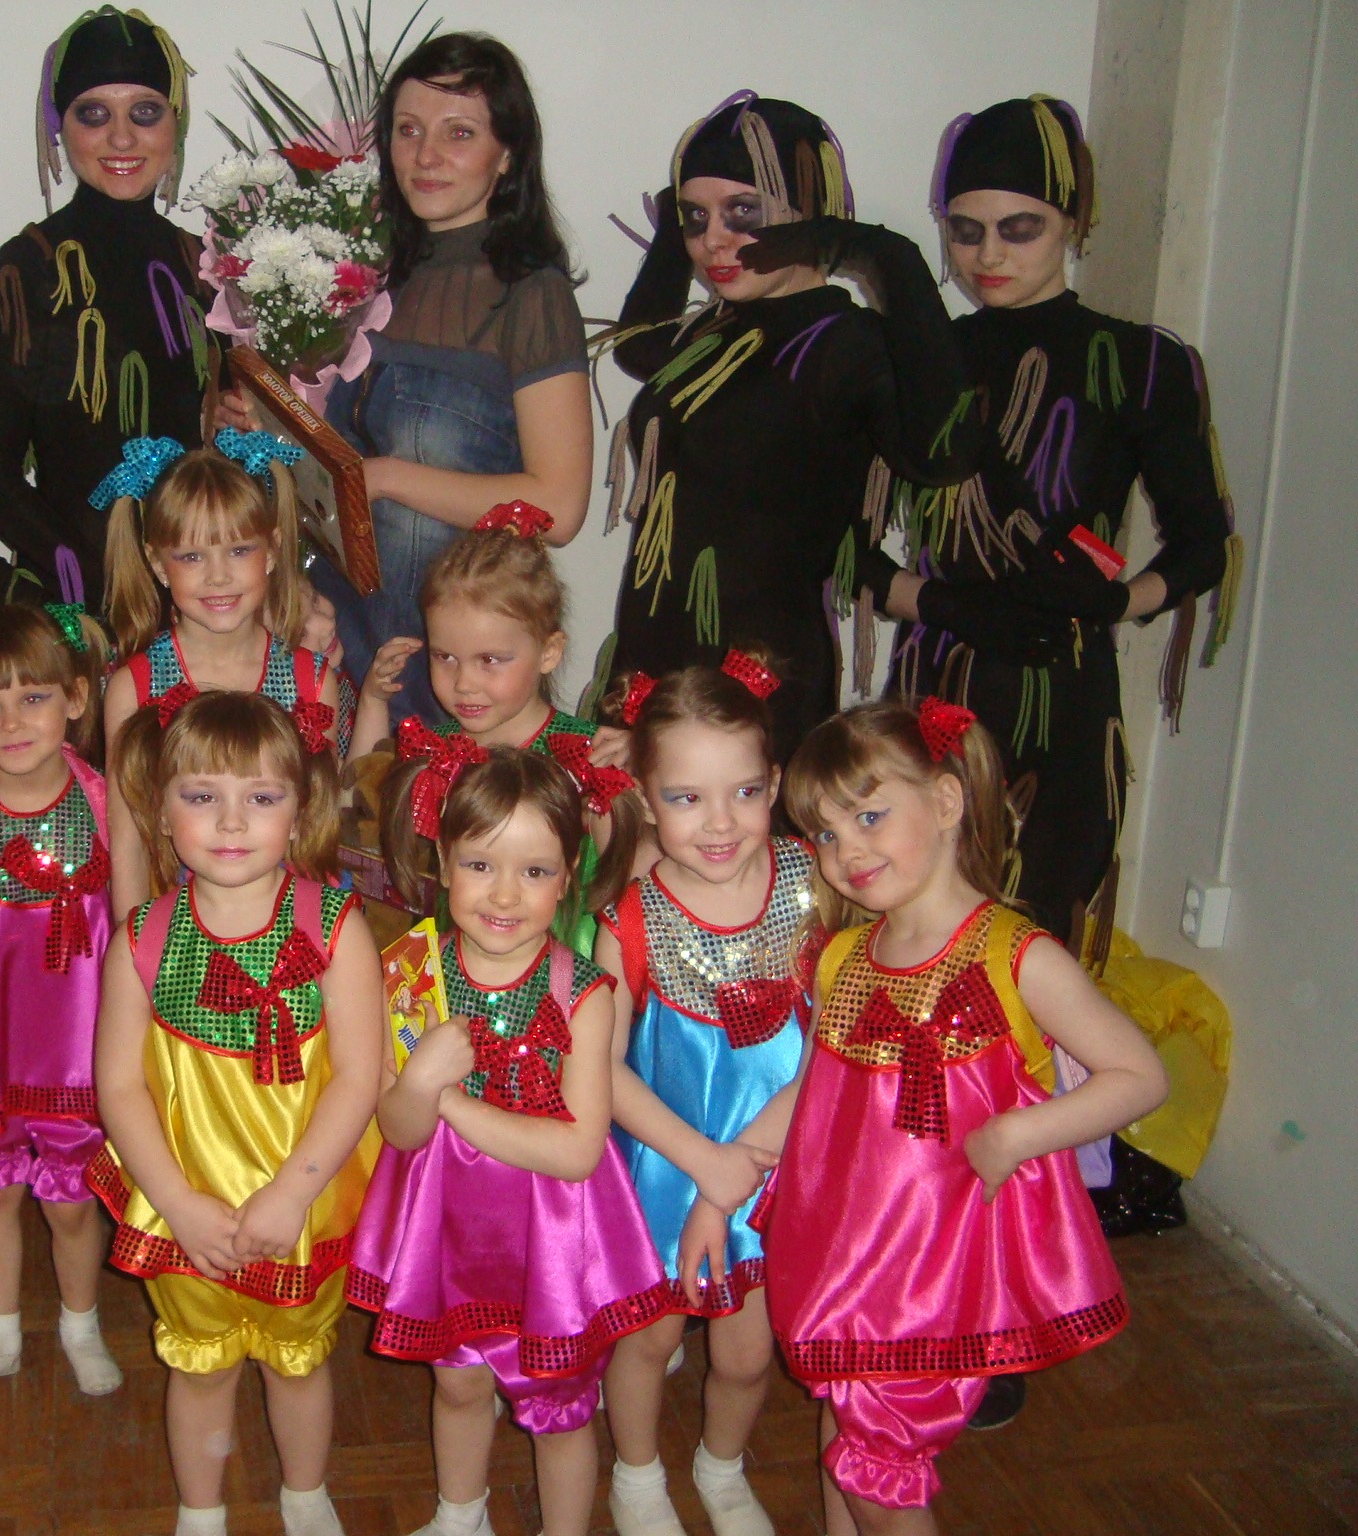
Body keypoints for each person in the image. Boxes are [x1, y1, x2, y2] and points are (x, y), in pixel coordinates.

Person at [748, 698, 1166, 1534]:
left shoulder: (1015, 955)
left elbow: (1138, 1077)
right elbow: (815, 1090)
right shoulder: (844, 957)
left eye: (869, 816)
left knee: (880, 1471)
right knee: (847, 1422)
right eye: (825, 833)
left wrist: (1019, 1132)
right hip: (850, 1256)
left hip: (936, 1273)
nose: (846, 851)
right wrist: (732, 1169)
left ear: (944, 802)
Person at [875, 95, 1238, 959]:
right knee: (913, 925)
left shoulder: (1143, 363)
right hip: (935, 682)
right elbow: (840, 548)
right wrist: (945, 604)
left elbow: (1203, 542)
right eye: (965, 231)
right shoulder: (916, 361)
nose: (988, 256)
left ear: (1074, 220)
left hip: (1067, 692)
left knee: (1039, 935)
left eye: (1020, 228)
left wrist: (1119, 601)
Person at [352, 747, 672, 1536]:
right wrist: (417, 1087)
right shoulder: (412, 974)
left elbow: (577, 1151)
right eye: (480, 865)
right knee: (458, 1383)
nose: (503, 894)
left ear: (567, 878)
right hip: (449, 1229)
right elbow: (397, 1129)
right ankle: (460, 1515)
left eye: (534, 871)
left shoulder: (582, 994)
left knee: (559, 1405)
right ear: (442, 862)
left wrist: (450, 1102)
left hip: (550, 1238)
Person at [606, 93, 982, 756]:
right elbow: (636, 347)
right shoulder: (706, 333)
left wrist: (882, 253)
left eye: (743, 212)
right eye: (696, 218)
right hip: (650, 672)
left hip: (762, 689)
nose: (713, 241)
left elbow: (944, 452)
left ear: (809, 217)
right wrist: (676, 225)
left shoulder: (849, 343)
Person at [91, 690, 379, 1536]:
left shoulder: (334, 926)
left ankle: (304, 1496)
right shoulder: (142, 937)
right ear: (161, 810)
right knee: (201, 1367)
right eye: (200, 795)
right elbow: (119, 1087)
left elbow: (359, 1077)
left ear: (299, 811)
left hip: (301, 1199)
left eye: (260, 796)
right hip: (188, 1203)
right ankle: (201, 1512)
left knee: (297, 1363)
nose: (230, 821)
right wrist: (177, 1204)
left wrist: (291, 1194)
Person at [313, 33, 593, 730]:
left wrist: (384, 478)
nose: (426, 155)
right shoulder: (365, 276)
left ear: (508, 153)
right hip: (343, 655)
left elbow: (559, 507)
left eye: (458, 133)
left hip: (456, 681)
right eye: (408, 130)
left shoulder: (531, 293)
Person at [594, 655, 814, 1536]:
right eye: (687, 798)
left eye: (745, 793)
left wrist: (742, 1169)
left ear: (777, 786)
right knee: (648, 1339)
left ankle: (722, 1465)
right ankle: (636, 1475)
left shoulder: (814, 887)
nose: (720, 823)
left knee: (748, 1353)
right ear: (646, 801)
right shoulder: (630, 916)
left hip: (774, 1162)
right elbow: (600, 1069)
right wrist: (701, 1165)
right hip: (665, 1167)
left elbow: (835, 1042)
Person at [0, 603, 122, 1395]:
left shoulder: (104, 801)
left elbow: (135, 918)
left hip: (76, 1039)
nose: (11, 722)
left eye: (32, 697)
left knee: (72, 1205)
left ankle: (81, 1326)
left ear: (75, 698)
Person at [0, 7, 216, 607]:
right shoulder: (26, 269)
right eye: (94, 114)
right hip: (80, 606)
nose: (122, 138)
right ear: (60, 125)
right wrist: (94, 583)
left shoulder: (207, 267)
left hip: (205, 599)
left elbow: (233, 442)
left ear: (175, 122)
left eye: (145, 112)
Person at [369, 505, 639, 957]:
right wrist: (373, 701)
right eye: (444, 657)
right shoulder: (436, 751)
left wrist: (646, 759)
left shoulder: (586, 757)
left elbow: (630, 885)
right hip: (453, 974)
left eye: (490, 660)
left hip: (564, 980)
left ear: (549, 652)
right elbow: (360, 812)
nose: (464, 683)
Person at [100, 441, 348, 916]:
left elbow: (318, 827)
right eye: (192, 557)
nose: (218, 577)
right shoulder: (134, 687)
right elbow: (127, 841)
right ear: (158, 564)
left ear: (271, 551)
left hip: (285, 923)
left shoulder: (312, 681)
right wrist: (133, 948)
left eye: (238, 550)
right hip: (175, 925)